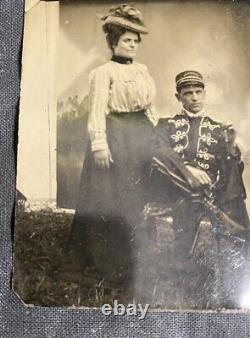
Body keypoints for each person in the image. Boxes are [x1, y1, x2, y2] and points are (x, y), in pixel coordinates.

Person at [134, 71, 249, 308]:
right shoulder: (166, 124)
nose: (194, 98)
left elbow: (231, 166)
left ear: (204, 94)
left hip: (212, 190)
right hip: (175, 188)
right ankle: (181, 283)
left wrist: (231, 150)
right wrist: (187, 170)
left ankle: (235, 277)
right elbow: (157, 151)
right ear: (179, 97)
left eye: (198, 92)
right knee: (183, 208)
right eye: (188, 93)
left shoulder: (218, 128)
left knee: (231, 173)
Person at [69, 4, 158, 285]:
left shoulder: (143, 69)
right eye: (126, 41)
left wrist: (158, 135)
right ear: (113, 42)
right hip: (116, 137)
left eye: (135, 41)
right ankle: (105, 261)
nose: (132, 46)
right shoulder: (103, 73)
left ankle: (134, 259)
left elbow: (149, 108)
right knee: (109, 198)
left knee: (136, 197)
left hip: (140, 138)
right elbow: (96, 111)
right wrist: (99, 144)